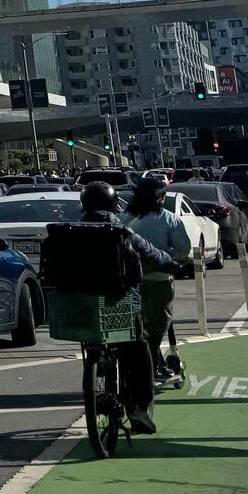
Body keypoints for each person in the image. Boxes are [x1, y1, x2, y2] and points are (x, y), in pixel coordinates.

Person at [77, 179, 182, 435]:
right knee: (139, 351)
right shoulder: (120, 230)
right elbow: (152, 253)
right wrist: (171, 264)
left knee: (95, 346)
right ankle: (140, 410)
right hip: (120, 304)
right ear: (113, 204)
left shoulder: (69, 230)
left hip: (80, 308)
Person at [124, 174, 192, 384]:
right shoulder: (169, 219)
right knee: (158, 326)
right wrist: (170, 257)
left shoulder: (122, 218)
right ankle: (149, 364)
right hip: (158, 279)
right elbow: (183, 249)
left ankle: (154, 363)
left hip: (127, 283)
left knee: (137, 325)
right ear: (160, 198)